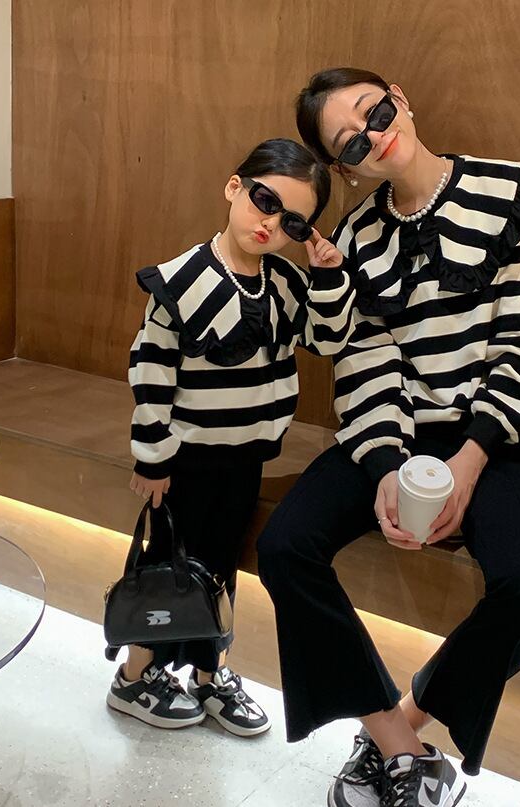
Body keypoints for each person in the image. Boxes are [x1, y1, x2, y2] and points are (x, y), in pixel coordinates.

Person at [258, 68, 520, 807]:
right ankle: (401, 750)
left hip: (500, 433)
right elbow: (364, 361)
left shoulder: (511, 194)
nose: (373, 137)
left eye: (373, 112)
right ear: (344, 169)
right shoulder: (357, 239)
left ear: (400, 97)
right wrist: (387, 469)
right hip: (395, 431)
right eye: (349, 142)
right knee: (284, 546)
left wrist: (469, 461)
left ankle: (403, 722)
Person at [108, 138, 356, 738]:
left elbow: (327, 339)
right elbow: (151, 370)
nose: (270, 223)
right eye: (265, 201)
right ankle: (135, 675)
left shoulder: (286, 282)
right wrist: (153, 456)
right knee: (169, 565)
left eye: (292, 221)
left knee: (220, 568)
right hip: (186, 458)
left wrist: (329, 276)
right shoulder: (181, 281)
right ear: (234, 187)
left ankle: (209, 672)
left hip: (246, 456)